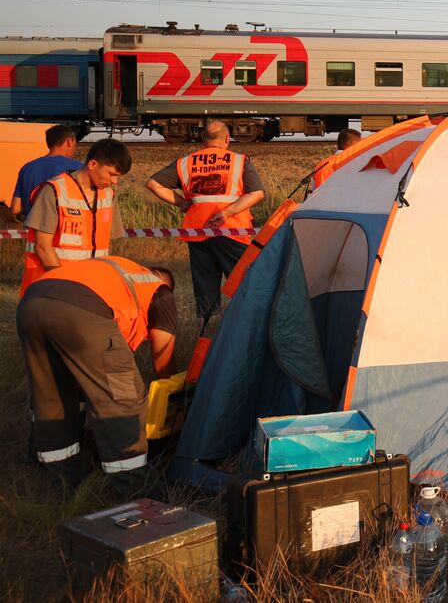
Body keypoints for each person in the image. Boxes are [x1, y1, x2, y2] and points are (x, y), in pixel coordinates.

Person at [17, 256, 176, 497]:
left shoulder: (115, 271)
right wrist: (173, 392)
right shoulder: (161, 292)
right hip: (80, 310)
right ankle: (136, 486)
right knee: (123, 398)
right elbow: (163, 361)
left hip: (31, 301)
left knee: (54, 396)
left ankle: (62, 478)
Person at [146, 121, 265, 318]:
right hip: (232, 231)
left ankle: (206, 331)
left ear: (203, 139)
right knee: (244, 286)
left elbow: (153, 184)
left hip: (198, 233)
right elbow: (257, 193)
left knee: (206, 291)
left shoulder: (186, 162)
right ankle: (246, 325)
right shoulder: (239, 161)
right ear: (227, 139)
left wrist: (183, 203)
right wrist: (227, 213)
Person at [21, 138, 129, 293]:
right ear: (93, 165)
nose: (114, 181)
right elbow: (42, 246)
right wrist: (64, 287)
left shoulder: (108, 194)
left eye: (118, 176)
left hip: (89, 286)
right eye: (111, 174)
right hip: (50, 288)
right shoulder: (54, 191)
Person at [10, 124, 83, 222]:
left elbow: (16, 208)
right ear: (69, 142)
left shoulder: (27, 168)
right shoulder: (79, 168)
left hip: (34, 230)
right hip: (67, 231)